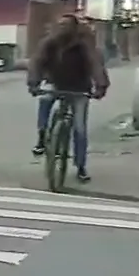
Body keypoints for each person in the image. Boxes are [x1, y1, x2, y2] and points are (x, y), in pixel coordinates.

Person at [27, 14, 110, 183]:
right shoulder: (50, 42)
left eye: (66, 25)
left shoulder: (84, 44)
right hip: (55, 83)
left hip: (79, 88)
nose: (63, 28)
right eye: (60, 24)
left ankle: (81, 167)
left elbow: (94, 63)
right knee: (44, 100)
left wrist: (100, 86)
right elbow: (37, 62)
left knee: (79, 128)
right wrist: (34, 83)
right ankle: (42, 136)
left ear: (74, 28)